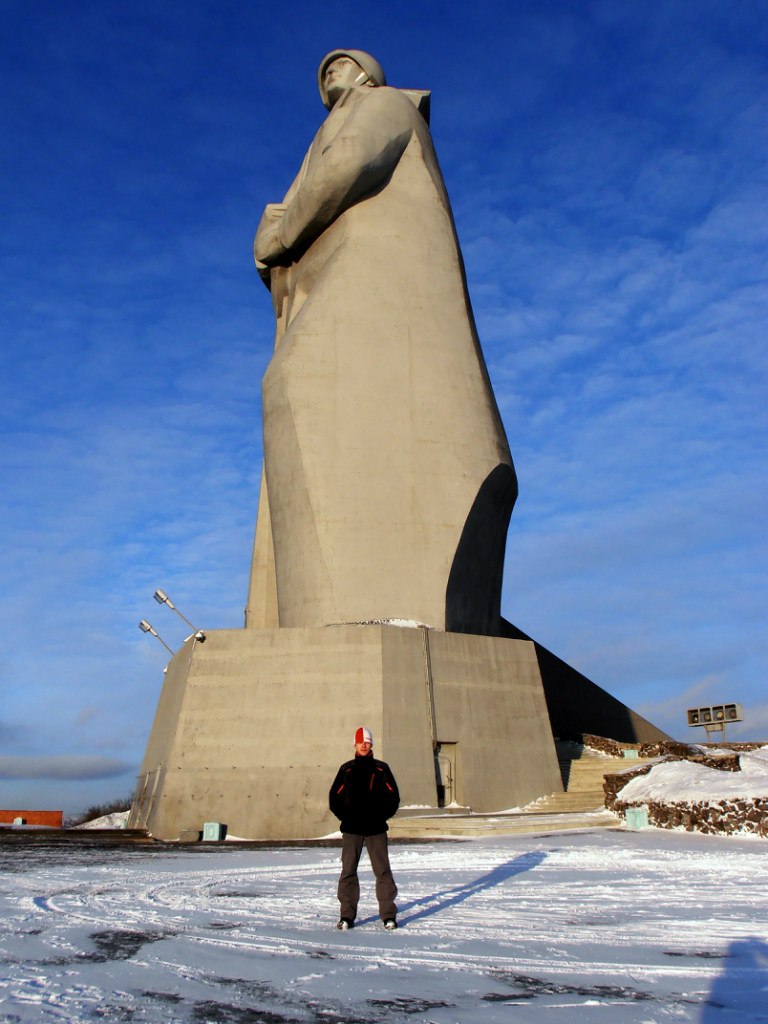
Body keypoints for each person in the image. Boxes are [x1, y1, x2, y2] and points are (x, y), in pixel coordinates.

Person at [250, 50, 516, 637]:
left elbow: (347, 165)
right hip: (345, 278)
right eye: (323, 70)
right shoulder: (324, 132)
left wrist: (282, 228)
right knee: (296, 390)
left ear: (369, 74)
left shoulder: (385, 105)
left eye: (340, 65)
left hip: (377, 280)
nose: (328, 73)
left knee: (300, 381)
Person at [328, 726, 400, 930]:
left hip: (376, 829)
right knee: (348, 871)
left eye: (367, 741)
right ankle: (347, 915)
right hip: (352, 829)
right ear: (355, 744)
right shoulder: (347, 769)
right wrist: (346, 816)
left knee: (383, 872)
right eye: (360, 742)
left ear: (371, 744)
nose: (363, 744)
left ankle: (388, 915)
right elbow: (334, 797)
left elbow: (393, 797)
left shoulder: (381, 769)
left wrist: (380, 815)